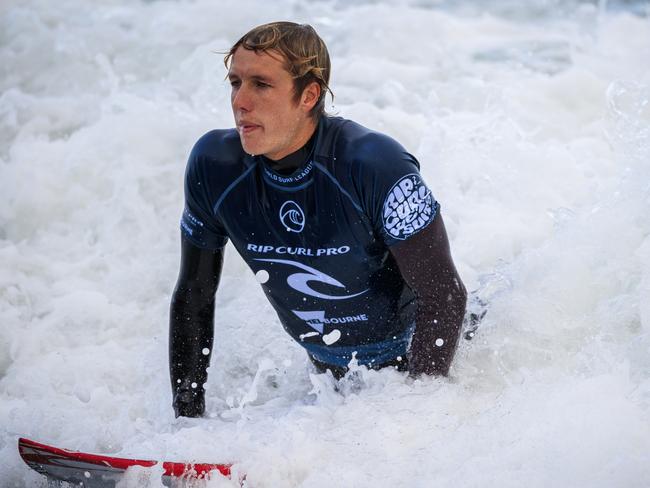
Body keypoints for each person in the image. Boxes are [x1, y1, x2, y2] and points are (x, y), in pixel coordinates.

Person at [169, 22, 467, 418]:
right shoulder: (215, 167)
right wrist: (187, 427)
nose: (240, 101)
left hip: (425, 365)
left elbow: (444, 295)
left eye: (260, 84)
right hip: (328, 381)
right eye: (235, 82)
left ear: (308, 95)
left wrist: (419, 415)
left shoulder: (374, 166)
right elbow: (194, 295)